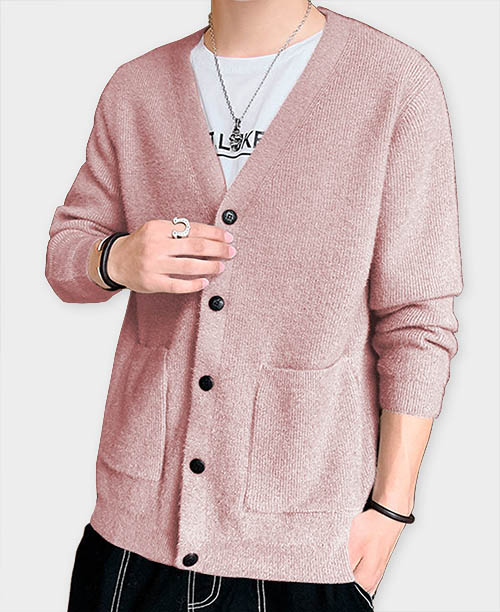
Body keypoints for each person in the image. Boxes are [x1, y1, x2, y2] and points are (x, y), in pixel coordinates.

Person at [45, 1, 463, 610]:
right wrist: (116, 258)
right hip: (131, 540)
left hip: (304, 545)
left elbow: (416, 318)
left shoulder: (394, 84)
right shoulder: (137, 87)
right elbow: (67, 252)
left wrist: (391, 509)